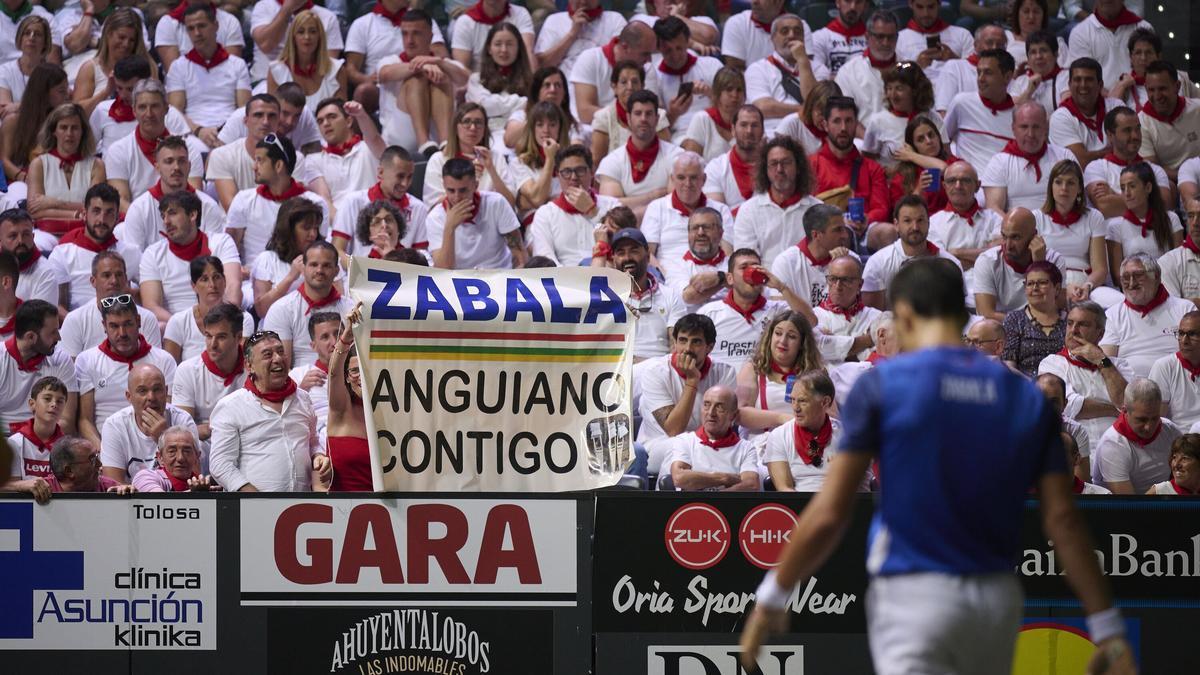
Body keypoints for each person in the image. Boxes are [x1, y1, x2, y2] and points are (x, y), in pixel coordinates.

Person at [739, 256, 1133, 675]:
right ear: (962, 315)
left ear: (905, 315)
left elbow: (831, 511)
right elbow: (1063, 520)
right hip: (995, 596)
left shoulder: (885, 386)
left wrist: (771, 597)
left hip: (914, 592)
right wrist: (1106, 625)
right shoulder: (1025, 397)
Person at [208, 329, 332, 492]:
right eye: (267, 354)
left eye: (281, 352)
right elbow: (220, 464)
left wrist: (318, 456)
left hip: (303, 508)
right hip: (252, 510)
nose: (278, 358)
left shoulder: (303, 398)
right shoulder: (231, 406)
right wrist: (254, 497)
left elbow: (313, 442)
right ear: (249, 365)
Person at [636, 313, 737, 473]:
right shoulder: (655, 372)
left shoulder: (725, 373)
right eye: (682, 340)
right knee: (679, 447)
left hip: (710, 444)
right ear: (674, 342)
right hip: (658, 446)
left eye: (696, 342)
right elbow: (674, 430)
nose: (688, 349)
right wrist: (692, 381)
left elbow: (722, 424)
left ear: (709, 347)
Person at [75, 294, 177, 446]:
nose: (122, 333)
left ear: (138, 321)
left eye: (128, 324)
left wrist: (160, 441)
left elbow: (169, 412)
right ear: (104, 326)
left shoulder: (164, 360)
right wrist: (104, 451)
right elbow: (84, 420)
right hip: (105, 443)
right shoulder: (87, 360)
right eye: (114, 326)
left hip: (155, 443)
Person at [120, 136, 227, 276]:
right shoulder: (139, 208)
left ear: (189, 166)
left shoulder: (208, 206)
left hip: (201, 283)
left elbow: (216, 257)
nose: (176, 167)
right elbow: (135, 264)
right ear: (157, 167)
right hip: (153, 282)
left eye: (181, 161)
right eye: (169, 161)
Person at [224, 133, 327, 270]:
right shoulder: (244, 200)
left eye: (260, 160)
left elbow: (320, 250)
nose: (254, 167)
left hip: (302, 278)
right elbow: (229, 250)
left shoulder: (315, 203)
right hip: (252, 281)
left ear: (278, 165)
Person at [1038, 301, 1133, 447]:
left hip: (1119, 446)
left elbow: (1127, 403)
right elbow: (1071, 406)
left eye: (1083, 325)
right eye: (1070, 323)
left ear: (1100, 333)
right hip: (1075, 449)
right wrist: (1116, 411)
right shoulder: (1052, 363)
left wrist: (1102, 361)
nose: (1073, 330)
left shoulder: (1119, 366)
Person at [139, 191, 241, 325]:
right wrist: (187, 326)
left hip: (219, 319)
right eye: (163, 216)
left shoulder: (221, 242)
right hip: (175, 324)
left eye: (172, 213)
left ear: (192, 215)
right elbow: (151, 306)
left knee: (245, 320)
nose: (166, 221)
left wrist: (221, 322)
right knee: (161, 326)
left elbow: (233, 286)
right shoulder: (152, 253)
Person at [699, 248, 812, 369]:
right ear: (730, 278)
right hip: (720, 383)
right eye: (744, 267)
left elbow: (811, 321)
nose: (752, 272)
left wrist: (781, 287)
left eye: (756, 267)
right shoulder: (710, 313)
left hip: (764, 383)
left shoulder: (778, 311)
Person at [374, 10, 465, 158]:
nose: (409, 40)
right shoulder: (390, 61)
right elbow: (384, 74)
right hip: (401, 141)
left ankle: (446, 142)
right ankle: (424, 142)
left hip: (440, 142)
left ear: (431, 36)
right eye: (405, 34)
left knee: (441, 78)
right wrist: (420, 66)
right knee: (416, 78)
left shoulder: (442, 63)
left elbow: (465, 79)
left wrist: (439, 62)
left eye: (416, 33)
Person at [105, 79, 205, 210]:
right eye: (142, 107)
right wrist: (146, 221)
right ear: (134, 110)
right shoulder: (118, 151)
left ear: (167, 108)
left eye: (155, 106)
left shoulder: (189, 149)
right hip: (138, 221)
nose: (149, 114)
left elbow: (193, 196)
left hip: (182, 219)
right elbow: (121, 201)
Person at [165, 4, 251, 149]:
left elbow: (244, 109)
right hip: (193, 133)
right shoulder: (178, 67)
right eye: (191, 28)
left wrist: (225, 132)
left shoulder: (237, 64)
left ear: (216, 26)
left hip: (230, 130)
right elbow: (176, 111)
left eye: (202, 26)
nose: (197, 33)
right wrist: (199, 131)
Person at [810, 96, 891, 248]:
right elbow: (807, 208)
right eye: (837, 121)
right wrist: (839, 223)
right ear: (825, 125)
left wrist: (867, 219)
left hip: (866, 229)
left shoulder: (873, 168)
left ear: (856, 124)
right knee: (838, 234)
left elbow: (882, 208)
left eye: (848, 121)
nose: (843, 128)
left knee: (888, 232)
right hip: (826, 232)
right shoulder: (811, 165)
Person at [343, 0, 449, 116]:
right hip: (380, 86)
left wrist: (429, 65)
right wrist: (366, 79)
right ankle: (358, 134)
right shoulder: (362, 24)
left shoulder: (422, 20)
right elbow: (351, 69)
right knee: (364, 91)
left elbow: (441, 55)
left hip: (421, 78)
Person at [731, 135, 821, 268]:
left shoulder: (817, 210)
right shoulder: (748, 210)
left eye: (786, 163)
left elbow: (822, 259)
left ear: (798, 167)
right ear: (765, 170)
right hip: (762, 285)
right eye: (773, 164)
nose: (779, 169)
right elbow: (745, 264)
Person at [595, 227, 684, 361]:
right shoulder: (604, 298)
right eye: (621, 252)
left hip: (659, 371)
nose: (627, 258)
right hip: (618, 369)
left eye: (634, 251)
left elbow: (677, 346)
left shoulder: (670, 296)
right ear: (613, 260)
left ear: (648, 256)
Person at [261, 241, 354, 368]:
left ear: (337, 271)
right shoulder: (281, 309)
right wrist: (300, 383)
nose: (319, 270)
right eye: (314, 265)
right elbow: (278, 366)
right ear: (303, 269)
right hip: (298, 384)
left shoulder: (351, 309)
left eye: (326, 265)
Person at [99, 364, 198, 483]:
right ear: (129, 396)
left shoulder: (183, 420)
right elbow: (113, 485)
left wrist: (163, 437)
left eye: (157, 389)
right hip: (132, 500)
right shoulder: (115, 425)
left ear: (166, 392)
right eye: (142, 391)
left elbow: (194, 479)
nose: (151, 397)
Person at [1032, 159, 1113, 304]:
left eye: (1070, 183)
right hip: (1049, 284)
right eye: (1058, 182)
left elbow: (1100, 268)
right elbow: (1033, 266)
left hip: (1086, 282)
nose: (1064, 188)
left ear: (1080, 188)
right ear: (1051, 186)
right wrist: (1063, 287)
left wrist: (1087, 287)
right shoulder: (1036, 218)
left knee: (1115, 302)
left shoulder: (1093, 217)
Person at [1100, 253, 1194, 378]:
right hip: (1131, 389)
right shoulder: (1113, 315)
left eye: (1138, 276)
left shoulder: (1185, 309)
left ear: (1156, 277)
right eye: (1126, 278)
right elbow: (1106, 363)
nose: (1132, 283)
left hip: (1178, 382)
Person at [332, 146, 428, 265]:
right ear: (380, 172)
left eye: (410, 177)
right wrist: (365, 271)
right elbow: (336, 251)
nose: (405, 184)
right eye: (400, 176)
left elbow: (422, 258)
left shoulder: (419, 208)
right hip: (357, 279)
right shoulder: (353, 201)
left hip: (405, 278)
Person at [764, 370, 857, 492]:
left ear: (825, 402)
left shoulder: (848, 436)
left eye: (803, 401)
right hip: (797, 507)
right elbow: (785, 489)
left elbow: (859, 486)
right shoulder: (778, 436)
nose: (795, 408)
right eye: (792, 400)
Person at [863, 196, 964, 309]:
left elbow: (956, 312)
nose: (915, 227)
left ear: (929, 223)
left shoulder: (950, 264)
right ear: (896, 224)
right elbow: (872, 317)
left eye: (920, 220)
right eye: (907, 221)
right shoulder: (877, 263)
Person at [735, 310, 825, 435]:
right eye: (778, 333)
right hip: (761, 444)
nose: (782, 341)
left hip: (802, 443)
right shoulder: (754, 368)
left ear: (802, 344)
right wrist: (782, 419)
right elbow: (739, 413)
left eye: (792, 336)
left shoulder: (815, 373)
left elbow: (832, 416)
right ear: (770, 336)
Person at [529, 144, 620, 267]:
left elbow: (622, 246)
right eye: (566, 172)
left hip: (607, 275)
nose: (573, 177)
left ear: (592, 171)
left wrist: (593, 211)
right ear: (558, 175)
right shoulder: (545, 213)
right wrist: (572, 281)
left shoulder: (612, 205)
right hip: (564, 281)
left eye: (580, 170)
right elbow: (545, 258)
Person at [596, 90, 682, 219]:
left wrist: (631, 203)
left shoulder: (677, 156)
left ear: (657, 119)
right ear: (629, 119)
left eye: (649, 114)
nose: (643, 119)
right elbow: (612, 211)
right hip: (625, 231)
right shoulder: (611, 161)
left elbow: (677, 204)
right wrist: (653, 196)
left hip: (665, 227)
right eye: (638, 113)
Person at [427, 157, 525, 270]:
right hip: (458, 281)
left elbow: (519, 253)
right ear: (444, 187)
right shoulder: (435, 217)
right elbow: (443, 270)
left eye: (463, 190)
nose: (457, 197)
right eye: (451, 190)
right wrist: (450, 227)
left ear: (476, 185)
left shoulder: (496, 203)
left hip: (499, 274)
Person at [58, 251, 160, 357]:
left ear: (126, 279)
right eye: (106, 275)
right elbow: (70, 368)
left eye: (119, 275)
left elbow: (154, 362)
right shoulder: (75, 320)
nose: (114, 281)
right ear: (93, 281)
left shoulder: (147, 318)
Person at [982, 101, 1077, 213]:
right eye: (1024, 127)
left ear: (1046, 128)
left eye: (1036, 127)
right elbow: (994, 209)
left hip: (1058, 227)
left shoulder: (1064, 156)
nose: (1030, 134)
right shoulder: (999, 162)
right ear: (1013, 128)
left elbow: (1076, 199)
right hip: (1015, 228)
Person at [172, 303, 248, 443]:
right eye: (208, 336)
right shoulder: (187, 370)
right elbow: (181, 430)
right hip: (201, 446)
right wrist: (209, 429)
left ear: (238, 337)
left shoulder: (254, 369)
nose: (212, 344)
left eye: (221, 337)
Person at [974, 207, 1066, 321]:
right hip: (1000, 331)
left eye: (1015, 237)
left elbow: (1057, 311)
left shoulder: (1055, 260)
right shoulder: (987, 261)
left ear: (1034, 236)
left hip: (1042, 333)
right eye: (1004, 236)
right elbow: (986, 314)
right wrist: (1026, 325)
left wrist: (1039, 266)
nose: (1007, 246)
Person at [0, 300, 76, 434]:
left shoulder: (61, 360)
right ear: (31, 337)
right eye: (53, 332)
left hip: (47, 440)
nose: (59, 337)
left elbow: (66, 420)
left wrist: (29, 440)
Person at [664, 385, 760, 491]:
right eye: (706, 405)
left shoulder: (746, 448)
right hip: (690, 506)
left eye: (719, 407)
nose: (711, 413)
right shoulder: (685, 441)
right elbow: (679, 478)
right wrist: (725, 478)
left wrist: (714, 498)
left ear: (733, 415)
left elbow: (751, 485)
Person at [644, 17, 723, 144]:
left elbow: (733, 107)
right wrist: (673, 114)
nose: (675, 56)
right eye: (668, 50)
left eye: (679, 48)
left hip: (715, 128)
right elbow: (654, 129)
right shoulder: (653, 76)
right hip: (680, 136)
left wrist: (710, 94)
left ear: (688, 42)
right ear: (659, 49)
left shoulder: (712, 65)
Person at [642, 152, 733, 263]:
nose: (687, 183)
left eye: (693, 177)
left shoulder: (721, 210)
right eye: (681, 178)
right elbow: (648, 254)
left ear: (704, 179)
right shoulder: (656, 208)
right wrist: (665, 277)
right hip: (667, 277)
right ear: (672, 179)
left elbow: (728, 254)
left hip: (711, 275)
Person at [89, 57, 190, 156]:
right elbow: (87, 149)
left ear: (147, 82)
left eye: (130, 89)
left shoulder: (168, 113)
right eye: (119, 88)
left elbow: (185, 152)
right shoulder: (102, 110)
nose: (123, 95)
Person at [1084, 106, 1171, 219]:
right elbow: (1105, 206)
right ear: (1110, 135)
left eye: (1137, 129)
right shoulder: (1096, 167)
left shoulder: (1155, 169)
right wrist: (1147, 198)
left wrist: (1114, 195)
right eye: (1127, 130)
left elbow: (1165, 204)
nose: (1135, 136)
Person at [421, 103, 515, 208]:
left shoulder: (496, 158)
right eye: (466, 122)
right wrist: (465, 180)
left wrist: (491, 170)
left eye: (478, 123)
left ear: (485, 129)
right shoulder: (438, 160)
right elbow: (432, 208)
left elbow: (510, 204)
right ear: (455, 127)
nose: (473, 127)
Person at [1094, 377, 1179, 493]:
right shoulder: (1112, 445)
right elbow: (1129, 506)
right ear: (1125, 411)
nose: (1149, 427)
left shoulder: (1170, 429)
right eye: (1141, 420)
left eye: (1154, 418)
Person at [47, 183, 123, 310]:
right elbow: (58, 307)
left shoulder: (130, 252)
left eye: (109, 212)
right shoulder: (62, 253)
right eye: (96, 211)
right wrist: (79, 325)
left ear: (117, 218)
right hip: (78, 325)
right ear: (85, 213)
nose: (102, 220)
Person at [744, 14, 820, 138]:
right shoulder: (757, 69)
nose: (791, 35)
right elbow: (764, 107)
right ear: (772, 38)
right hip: (772, 133)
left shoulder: (818, 68)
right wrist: (808, 111)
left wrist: (802, 60)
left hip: (810, 133)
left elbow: (817, 102)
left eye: (797, 31)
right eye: (785, 31)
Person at [163, 259, 253, 363]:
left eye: (216, 277)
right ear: (194, 286)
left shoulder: (243, 318)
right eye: (204, 279)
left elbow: (243, 363)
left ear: (224, 281)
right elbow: (170, 367)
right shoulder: (178, 322)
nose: (212, 285)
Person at [72, 9, 157, 117]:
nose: (126, 44)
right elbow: (76, 114)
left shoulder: (148, 66)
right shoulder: (90, 68)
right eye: (121, 37)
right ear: (108, 34)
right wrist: (107, 91)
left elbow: (156, 105)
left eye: (132, 40)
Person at [942, 48, 1016, 173]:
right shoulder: (961, 103)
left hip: (1004, 184)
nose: (980, 79)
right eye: (979, 72)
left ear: (1007, 77)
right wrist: (953, 166)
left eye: (988, 73)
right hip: (966, 184)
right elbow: (943, 140)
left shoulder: (1019, 116)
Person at [251, 197, 325, 318]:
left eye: (315, 228)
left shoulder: (325, 258)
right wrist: (290, 278)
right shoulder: (267, 260)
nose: (313, 234)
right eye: (306, 228)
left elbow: (339, 300)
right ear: (288, 229)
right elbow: (261, 310)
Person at [769, 203, 851, 308]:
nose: (845, 235)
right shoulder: (786, 262)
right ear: (816, 235)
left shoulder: (849, 260)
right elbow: (781, 312)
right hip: (801, 324)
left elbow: (853, 310)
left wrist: (840, 269)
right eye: (838, 230)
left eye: (844, 229)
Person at [325, 305, 371, 491]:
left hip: (389, 511)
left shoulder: (389, 413)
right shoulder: (342, 409)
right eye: (354, 371)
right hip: (342, 510)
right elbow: (334, 374)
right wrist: (346, 338)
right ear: (346, 376)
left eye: (365, 371)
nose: (360, 376)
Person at [465, 22, 532, 150]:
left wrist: (500, 107)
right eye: (498, 44)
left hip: (519, 137)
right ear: (489, 48)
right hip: (484, 137)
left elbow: (533, 110)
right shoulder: (476, 79)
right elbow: (485, 106)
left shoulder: (530, 81)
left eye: (509, 44)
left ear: (519, 48)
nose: (504, 50)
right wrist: (523, 102)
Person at [862, 64, 942, 170]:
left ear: (915, 90)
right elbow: (868, 162)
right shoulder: (878, 121)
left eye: (899, 88)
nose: (893, 95)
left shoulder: (933, 118)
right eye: (889, 88)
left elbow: (945, 156)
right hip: (891, 184)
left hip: (932, 182)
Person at [1105, 162, 1183, 271]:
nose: (1126, 193)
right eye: (1122, 188)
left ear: (1148, 187)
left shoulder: (1171, 219)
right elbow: (1118, 276)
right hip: (1134, 285)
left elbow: (1180, 264)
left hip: (1167, 283)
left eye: (1132, 186)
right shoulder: (1115, 226)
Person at [267, 9, 347, 114]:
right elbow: (273, 116)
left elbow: (341, 117)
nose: (307, 37)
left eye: (312, 31)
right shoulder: (276, 71)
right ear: (293, 37)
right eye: (301, 32)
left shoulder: (336, 70)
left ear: (320, 36)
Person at [589, 60, 669, 164]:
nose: (630, 87)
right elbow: (597, 162)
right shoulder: (603, 117)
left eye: (635, 82)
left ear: (643, 85)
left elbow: (665, 158)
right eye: (623, 82)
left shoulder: (658, 115)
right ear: (614, 87)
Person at [249, 0, 343, 87]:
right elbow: (265, 45)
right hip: (264, 81)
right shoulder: (264, 6)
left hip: (313, 83)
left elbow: (328, 67)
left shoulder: (328, 17)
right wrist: (287, 10)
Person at [1049, 58, 1122, 169]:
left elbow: (1131, 146)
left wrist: (1092, 154)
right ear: (1069, 84)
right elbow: (1080, 162)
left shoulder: (1116, 107)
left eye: (1089, 80)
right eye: (1077, 80)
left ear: (1100, 85)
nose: (1083, 85)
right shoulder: (1060, 117)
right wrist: (1116, 150)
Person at [927, 161, 1001, 271]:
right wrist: (983, 254)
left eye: (965, 180)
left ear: (977, 186)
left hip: (990, 284)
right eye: (952, 181)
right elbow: (941, 264)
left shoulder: (995, 219)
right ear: (944, 186)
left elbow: (999, 256)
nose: (958, 186)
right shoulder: (933, 223)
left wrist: (956, 252)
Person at [1, 62, 67, 185]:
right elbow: (4, 160)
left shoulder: (64, 121)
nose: (67, 95)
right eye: (61, 91)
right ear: (44, 92)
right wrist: (24, 177)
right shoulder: (14, 121)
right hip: (20, 180)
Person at [308, 98, 385, 200]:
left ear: (348, 121)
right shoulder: (314, 160)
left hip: (375, 214)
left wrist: (361, 114)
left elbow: (374, 138)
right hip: (336, 215)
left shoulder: (369, 148)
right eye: (320, 121)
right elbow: (325, 202)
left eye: (332, 117)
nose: (325, 124)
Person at [1137, 61, 1200, 182]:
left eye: (1162, 88)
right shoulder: (1140, 123)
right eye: (1151, 90)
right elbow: (1153, 168)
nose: (1157, 95)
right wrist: (1188, 179)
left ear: (1177, 86)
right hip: (1170, 184)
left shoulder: (1197, 109)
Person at [1066, 0, 1150, 91]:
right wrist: (1113, 99)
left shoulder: (1144, 29)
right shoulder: (1080, 33)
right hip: (1100, 101)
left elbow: (1152, 73)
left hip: (1141, 98)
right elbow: (1084, 80)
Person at [1003, 261, 1068, 376]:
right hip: (1025, 386)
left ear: (1057, 288)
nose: (1035, 288)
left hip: (1066, 387)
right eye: (1030, 284)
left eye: (1042, 283)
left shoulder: (1070, 321)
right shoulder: (1015, 319)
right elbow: (1008, 366)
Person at [814, 256, 883, 365]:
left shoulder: (877, 318)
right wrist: (868, 340)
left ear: (860, 285)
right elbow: (818, 351)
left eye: (845, 280)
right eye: (832, 279)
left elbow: (880, 358)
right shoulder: (814, 318)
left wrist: (834, 346)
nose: (837, 286)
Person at [1109, 28, 1200, 110]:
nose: (1143, 58)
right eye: (1138, 53)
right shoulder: (1124, 85)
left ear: (1158, 56)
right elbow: (1109, 112)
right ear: (1131, 57)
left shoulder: (1178, 78)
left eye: (1148, 52)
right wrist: (1122, 86)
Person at [834, 10, 900, 122]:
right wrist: (869, 138)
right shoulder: (848, 72)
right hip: (861, 138)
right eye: (880, 37)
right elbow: (845, 117)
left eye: (891, 37)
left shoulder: (908, 68)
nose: (885, 43)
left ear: (897, 37)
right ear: (867, 36)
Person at [534, 0, 627, 76]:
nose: (583, 2)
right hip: (563, 93)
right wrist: (572, 34)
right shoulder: (554, 21)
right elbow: (542, 67)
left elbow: (625, 62)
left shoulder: (615, 20)